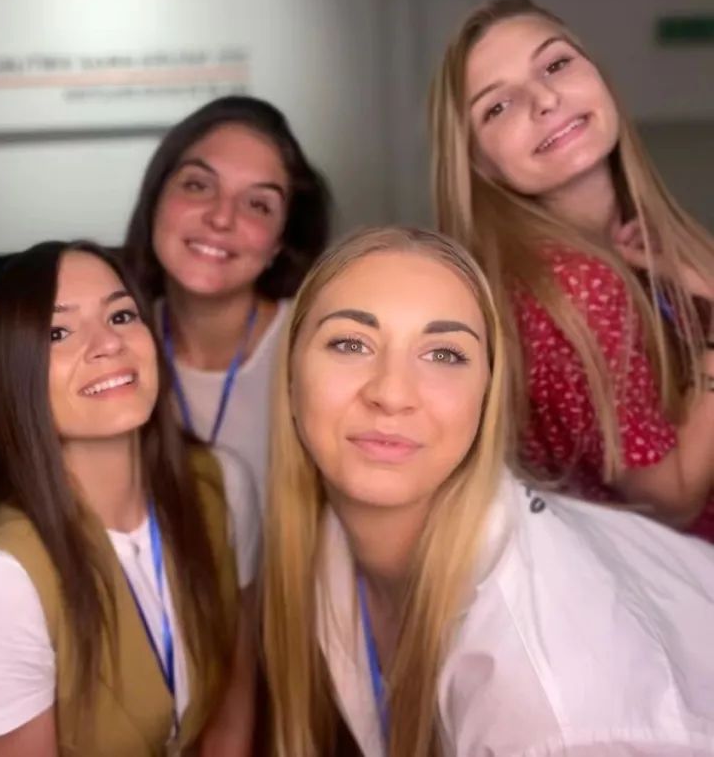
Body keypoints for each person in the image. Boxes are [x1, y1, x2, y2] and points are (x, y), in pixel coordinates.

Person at [262, 226, 714, 756]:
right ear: (290, 373)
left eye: (444, 354)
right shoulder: (322, 541)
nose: (391, 393)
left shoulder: (557, 714)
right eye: (350, 344)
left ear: (487, 395)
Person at [0, 241, 259, 756]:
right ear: (13, 373)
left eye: (121, 316)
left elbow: (235, 692)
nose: (108, 344)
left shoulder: (222, 484)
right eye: (58, 332)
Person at [429, 0, 714, 540]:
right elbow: (671, 500)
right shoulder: (576, 283)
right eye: (498, 106)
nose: (544, 99)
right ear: (478, 164)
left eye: (556, 64)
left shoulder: (639, 244)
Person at [123, 96, 331, 504]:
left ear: (280, 242)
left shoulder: (320, 349)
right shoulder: (112, 349)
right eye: (198, 186)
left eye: (258, 204)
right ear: (156, 198)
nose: (221, 218)